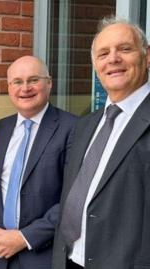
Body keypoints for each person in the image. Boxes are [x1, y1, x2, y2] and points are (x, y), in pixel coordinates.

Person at [52, 18, 150, 269]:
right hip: (72, 260)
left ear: (147, 56)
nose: (113, 59)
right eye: (103, 53)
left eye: (125, 49)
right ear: (95, 65)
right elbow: (71, 200)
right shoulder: (85, 125)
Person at [0, 56, 77, 269]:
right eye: (17, 81)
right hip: (0, 254)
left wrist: (23, 238)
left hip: (44, 256)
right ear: (9, 87)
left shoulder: (73, 129)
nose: (25, 88)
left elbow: (74, 198)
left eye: (33, 80)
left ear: (49, 83)